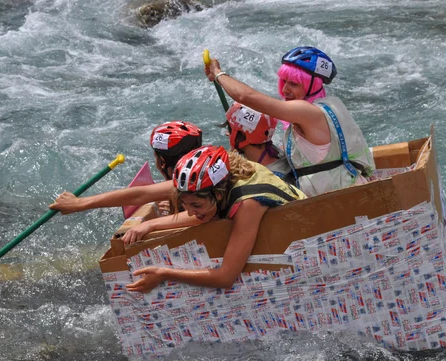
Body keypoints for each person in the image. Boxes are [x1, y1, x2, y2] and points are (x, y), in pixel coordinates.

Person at [121, 145, 306, 292]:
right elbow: (204, 214)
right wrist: (151, 225)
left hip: (304, 233)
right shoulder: (227, 176)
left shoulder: (247, 205)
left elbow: (225, 278)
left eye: (196, 205)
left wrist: (164, 274)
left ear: (217, 196)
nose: (190, 212)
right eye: (185, 204)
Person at [204, 46, 375, 197]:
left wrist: (218, 73)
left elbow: (246, 97)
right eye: (284, 81)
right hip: (343, 193)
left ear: (312, 86)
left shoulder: (309, 112)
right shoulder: (329, 104)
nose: (285, 89)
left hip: (344, 200)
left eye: (294, 84)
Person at [49, 121, 202, 215]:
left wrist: (79, 204)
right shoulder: (204, 169)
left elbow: (139, 195)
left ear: (162, 161)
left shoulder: (187, 183)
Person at [225, 102, 291, 180]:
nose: (227, 133)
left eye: (230, 130)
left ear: (241, 136)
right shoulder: (278, 152)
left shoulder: (267, 180)